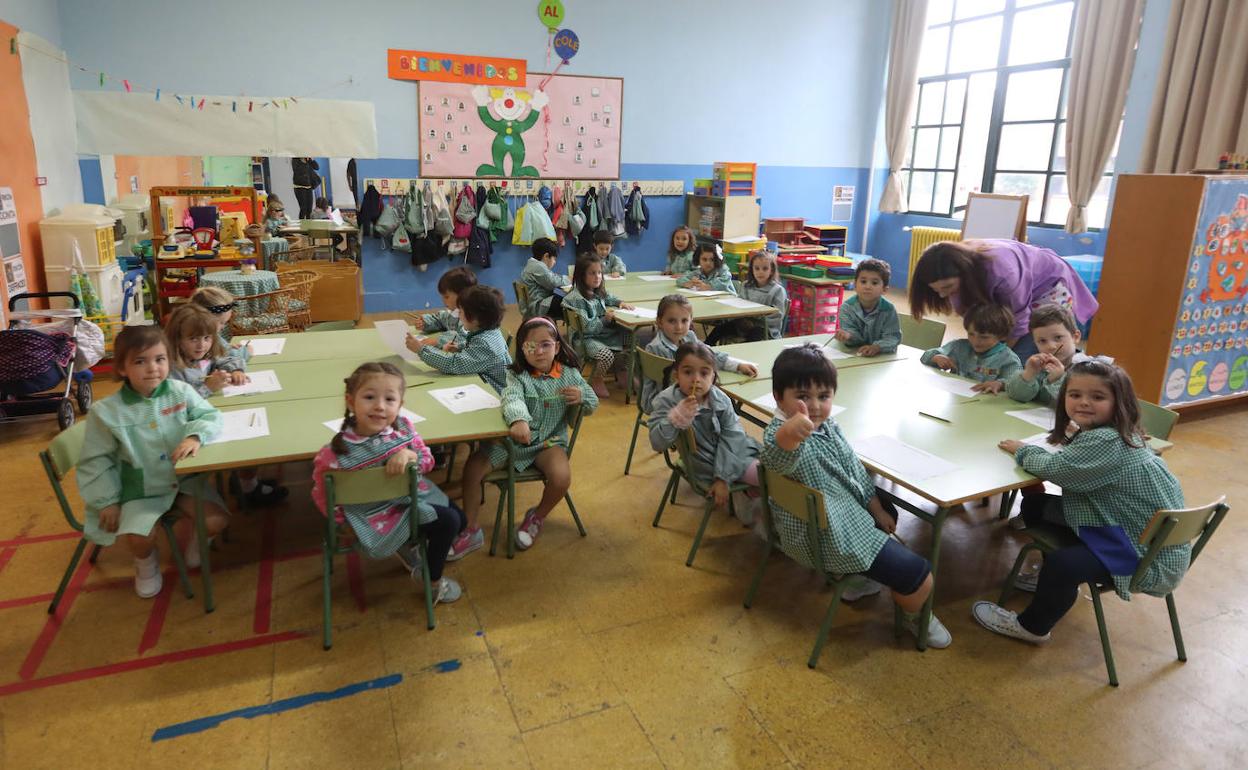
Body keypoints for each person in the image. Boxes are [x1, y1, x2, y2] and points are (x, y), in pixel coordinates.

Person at [973, 360, 1186, 644]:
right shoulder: (1121, 432)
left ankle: (1032, 627)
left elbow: (1056, 470)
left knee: (1063, 565)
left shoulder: (1104, 441)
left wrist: (1024, 450)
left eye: (1097, 397)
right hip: (1138, 533)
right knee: (1036, 506)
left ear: (1119, 403)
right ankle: (1054, 582)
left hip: (1140, 553)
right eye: (1075, 395)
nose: (1084, 402)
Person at [761, 344, 952, 647]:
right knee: (920, 577)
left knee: (887, 507)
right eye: (802, 396)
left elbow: (854, 470)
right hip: (826, 537)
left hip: (833, 518)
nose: (814, 406)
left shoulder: (828, 425)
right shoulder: (780, 434)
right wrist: (790, 433)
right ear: (777, 397)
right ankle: (916, 617)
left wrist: (876, 508)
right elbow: (777, 454)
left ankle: (857, 580)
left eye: (824, 396)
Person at [76, 325, 228, 598]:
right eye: (140, 361)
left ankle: (198, 543)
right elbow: (95, 461)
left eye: (160, 359)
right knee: (140, 539)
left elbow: (210, 415)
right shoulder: (106, 412)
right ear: (121, 368)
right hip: (141, 488)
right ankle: (145, 565)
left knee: (216, 521)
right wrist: (107, 501)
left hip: (183, 481)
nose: (153, 368)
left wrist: (195, 436)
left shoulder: (180, 391)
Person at [311, 362, 463, 604]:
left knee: (460, 520)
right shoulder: (333, 454)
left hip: (406, 500)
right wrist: (340, 521)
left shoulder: (403, 428)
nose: (380, 406)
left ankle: (408, 546)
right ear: (350, 401)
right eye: (369, 397)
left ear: (400, 405)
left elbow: (427, 461)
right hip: (372, 518)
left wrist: (409, 454)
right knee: (450, 522)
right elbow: (322, 493)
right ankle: (432, 581)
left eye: (389, 399)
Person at [454, 318, 598, 557]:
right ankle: (470, 528)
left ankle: (537, 516)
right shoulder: (516, 374)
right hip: (513, 444)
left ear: (557, 347)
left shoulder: (570, 374)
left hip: (549, 443)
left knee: (561, 478)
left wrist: (582, 395)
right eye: (531, 346)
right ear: (522, 349)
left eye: (545, 345)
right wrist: (518, 419)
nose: (539, 352)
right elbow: (512, 398)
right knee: (473, 468)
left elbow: (593, 402)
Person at [165, 304, 290, 506]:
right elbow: (179, 408)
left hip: (209, 417)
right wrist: (207, 388)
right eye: (193, 339)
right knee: (247, 438)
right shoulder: (171, 369)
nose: (202, 345)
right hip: (187, 434)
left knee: (254, 426)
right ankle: (247, 488)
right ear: (177, 338)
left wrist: (235, 370)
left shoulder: (201, 353)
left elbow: (225, 357)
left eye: (207, 338)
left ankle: (244, 480)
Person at [908, 239, 1099, 360]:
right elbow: (972, 317)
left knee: (1021, 357)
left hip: (1048, 286)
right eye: (937, 290)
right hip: (1012, 282)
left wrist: (1000, 359)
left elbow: (1020, 322)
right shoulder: (954, 269)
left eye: (947, 288)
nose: (942, 295)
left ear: (964, 273)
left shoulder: (1003, 273)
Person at [649, 341, 761, 523]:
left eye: (704, 373)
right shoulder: (666, 401)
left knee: (773, 466)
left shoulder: (720, 399)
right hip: (705, 464)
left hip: (730, 455)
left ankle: (748, 495)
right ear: (676, 375)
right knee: (768, 477)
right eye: (688, 372)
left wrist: (723, 477)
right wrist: (674, 418)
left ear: (713, 376)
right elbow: (657, 442)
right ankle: (752, 502)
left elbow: (734, 436)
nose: (696, 379)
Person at [641, 294, 757, 412]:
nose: (679, 327)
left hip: (687, 391)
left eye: (684, 320)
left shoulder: (689, 336)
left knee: (724, 400)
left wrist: (737, 365)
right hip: (663, 400)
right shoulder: (656, 348)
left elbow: (709, 355)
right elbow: (671, 386)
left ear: (691, 320)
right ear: (659, 322)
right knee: (721, 401)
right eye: (672, 321)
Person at [405, 285, 511, 393]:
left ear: (474, 319)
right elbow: (473, 348)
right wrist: (460, 347)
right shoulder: (488, 331)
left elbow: (453, 364)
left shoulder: (486, 345)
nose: (458, 316)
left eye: (460, 312)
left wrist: (421, 349)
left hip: (496, 393)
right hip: (482, 384)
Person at [562, 255, 636, 398]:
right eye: (592, 273)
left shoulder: (595, 291)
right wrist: (604, 319)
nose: (597, 277)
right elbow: (587, 327)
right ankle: (597, 379)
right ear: (581, 276)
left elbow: (608, 297)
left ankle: (622, 370)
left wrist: (620, 303)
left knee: (630, 336)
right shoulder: (576, 299)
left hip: (601, 333)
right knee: (606, 356)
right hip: (585, 339)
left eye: (599, 272)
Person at [1005, 304, 1097, 405]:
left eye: (1058, 338)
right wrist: (1028, 374)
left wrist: (1057, 380)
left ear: (1075, 337)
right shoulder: (1040, 367)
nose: (1051, 346)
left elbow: (1077, 405)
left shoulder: (1089, 370)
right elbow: (1017, 396)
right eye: (1042, 341)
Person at [920, 303, 1022, 393]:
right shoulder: (959, 346)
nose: (976, 341)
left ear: (1002, 336)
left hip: (985, 404)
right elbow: (925, 357)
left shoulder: (1008, 359)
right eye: (971, 334)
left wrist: (1000, 384)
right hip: (957, 399)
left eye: (984, 337)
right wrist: (936, 357)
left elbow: (1015, 384)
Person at [706, 250, 787, 344]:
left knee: (755, 333)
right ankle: (704, 349)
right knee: (720, 328)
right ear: (752, 269)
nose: (760, 272)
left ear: (771, 270)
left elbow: (777, 316)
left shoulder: (777, 290)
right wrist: (741, 319)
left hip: (765, 329)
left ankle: (747, 352)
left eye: (765, 269)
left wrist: (756, 321)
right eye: (757, 268)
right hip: (742, 323)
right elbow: (739, 305)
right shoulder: (746, 286)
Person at [835, 258, 900, 356]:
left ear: (884, 290)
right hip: (852, 354)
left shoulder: (889, 310)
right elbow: (849, 330)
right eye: (863, 281)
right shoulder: (846, 308)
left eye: (874, 283)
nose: (867, 287)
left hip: (881, 357)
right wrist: (848, 335)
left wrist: (877, 347)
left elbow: (892, 337)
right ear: (855, 285)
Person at [411, 267, 478, 350]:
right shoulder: (453, 312)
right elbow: (440, 319)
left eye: (446, 297)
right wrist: (426, 322)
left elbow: (463, 337)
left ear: (463, 295)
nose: (443, 300)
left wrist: (437, 341)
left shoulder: (472, 318)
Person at [189, 286, 250, 367]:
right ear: (207, 318)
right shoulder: (204, 338)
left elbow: (223, 350)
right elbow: (232, 356)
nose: (223, 327)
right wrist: (247, 351)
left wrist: (228, 346)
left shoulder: (207, 333)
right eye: (221, 323)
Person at [520, 237, 570, 320]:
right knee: (569, 301)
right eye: (554, 259)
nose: (555, 262)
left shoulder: (533, 264)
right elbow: (553, 282)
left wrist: (562, 278)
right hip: (538, 306)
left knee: (564, 299)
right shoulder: (538, 267)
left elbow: (552, 277)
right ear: (546, 256)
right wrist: (569, 279)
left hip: (533, 303)